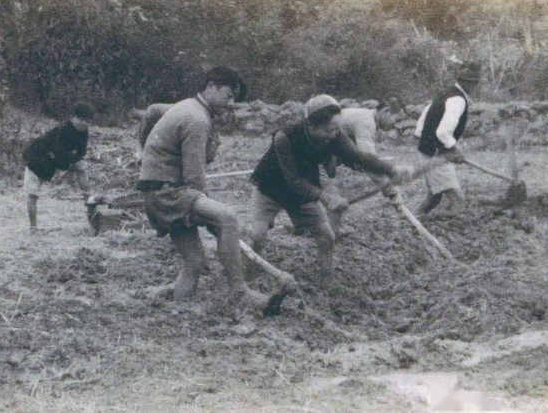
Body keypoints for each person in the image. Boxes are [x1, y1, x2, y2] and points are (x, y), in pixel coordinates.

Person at [136, 66, 270, 312]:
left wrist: (142, 149)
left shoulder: (187, 106)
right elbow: (194, 175)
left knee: (195, 262)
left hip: (155, 188)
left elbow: (153, 110)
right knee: (227, 218)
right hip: (168, 191)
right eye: (228, 95)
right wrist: (208, 213)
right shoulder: (197, 119)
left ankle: (180, 312)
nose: (230, 103)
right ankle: (239, 292)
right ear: (211, 87)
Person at [249, 94, 411, 288]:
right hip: (271, 188)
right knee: (258, 235)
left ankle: (327, 285)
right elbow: (293, 180)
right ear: (311, 126)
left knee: (327, 237)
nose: (334, 135)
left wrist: (391, 170)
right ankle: (249, 279)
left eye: (336, 129)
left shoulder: (335, 135)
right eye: (328, 130)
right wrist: (326, 197)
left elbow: (359, 157)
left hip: (304, 191)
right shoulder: (284, 137)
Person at [325, 97, 407, 235]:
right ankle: (328, 232)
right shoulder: (366, 122)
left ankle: (325, 229)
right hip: (321, 147)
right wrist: (391, 192)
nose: (396, 126)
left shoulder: (365, 117)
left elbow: (355, 156)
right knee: (328, 189)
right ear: (386, 111)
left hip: (328, 147)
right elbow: (369, 161)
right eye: (396, 120)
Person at [414, 62, 481, 215]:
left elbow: (422, 121)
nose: (475, 86)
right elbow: (443, 132)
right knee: (458, 201)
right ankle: (449, 231)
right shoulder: (458, 100)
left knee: (434, 197)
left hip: (427, 152)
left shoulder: (445, 94)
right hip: (437, 155)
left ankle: (412, 220)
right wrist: (455, 149)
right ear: (467, 83)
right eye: (474, 83)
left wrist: (423, 140)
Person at [22, 103, 94, 231]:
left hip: (54, 160)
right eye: (82, 119)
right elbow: (59, 153)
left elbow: (81, 152)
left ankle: (89, 203)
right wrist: (70, 164)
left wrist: (73, 162)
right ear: (73, 118)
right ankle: (33, 228)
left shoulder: (83, 132)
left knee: (81, 167)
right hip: (37, 158)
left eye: (88, 121)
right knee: (33, 194)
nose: (84, 123)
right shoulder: (63, 129)